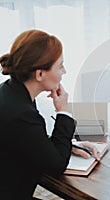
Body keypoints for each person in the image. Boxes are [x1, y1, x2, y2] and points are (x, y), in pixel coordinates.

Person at [0, 30, 99, 199]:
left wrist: (69, 144)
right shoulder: (22, 113)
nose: (65, 71)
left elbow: (25, 137)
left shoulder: (10, 90)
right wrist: (63, 111)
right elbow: (56, 165)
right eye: (60, 66)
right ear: (40, 74)